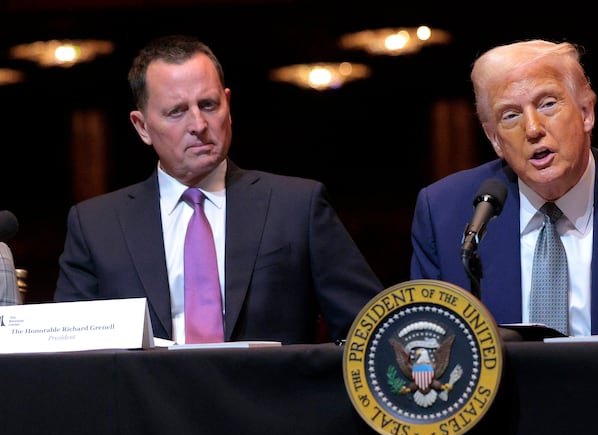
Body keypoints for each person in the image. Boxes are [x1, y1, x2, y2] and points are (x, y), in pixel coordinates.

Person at [54, 34, 384, 344]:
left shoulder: (296, 206)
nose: (198, 125)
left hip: (268, 403)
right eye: (177, 111)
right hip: (147, 404)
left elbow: (372, 330)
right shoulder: (97, 227)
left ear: (228, 104)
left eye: (209, 105)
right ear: (142, 126)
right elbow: (72, 356)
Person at [410, 39, 598, 336]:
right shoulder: (443, 214)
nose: (532, 129)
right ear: (494, 139)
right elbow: (429, 351)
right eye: (511, 115)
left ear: (586, 112)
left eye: (547, 104)